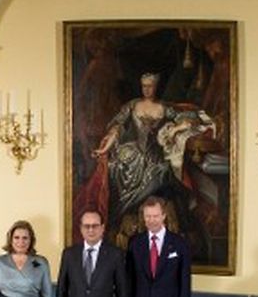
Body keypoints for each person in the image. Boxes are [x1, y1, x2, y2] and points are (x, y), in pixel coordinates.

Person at [91, 71, 214, 236]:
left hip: (155, 150)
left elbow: (188, 119)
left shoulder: (164, 108)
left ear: (156, 87)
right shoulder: (133, 105)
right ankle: (122, 215)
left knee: (161, 169)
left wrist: (176, 128)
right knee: (117, 165)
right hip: (133, 149)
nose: (147, 90)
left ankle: (151, 210)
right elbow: (117, 127)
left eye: (150, 86)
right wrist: (105, 148)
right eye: (144, 86)